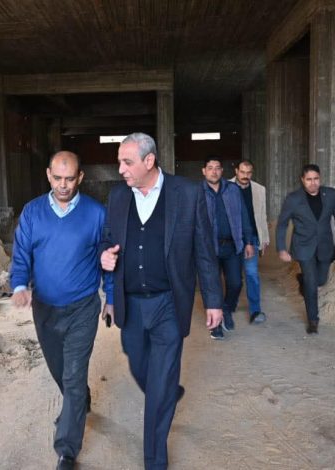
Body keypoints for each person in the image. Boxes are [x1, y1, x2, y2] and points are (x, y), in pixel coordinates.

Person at [99, 132, 223, 470]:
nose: (120, 169)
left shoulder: (187, 193)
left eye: (127, 162)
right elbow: (107, 239)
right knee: (139, 365)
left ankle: (155, 460)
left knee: (158, 385)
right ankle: (167, 390)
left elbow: (204, 251)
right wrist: (105, 255)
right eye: (120, 162)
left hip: (169, 302)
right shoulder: (118, 197)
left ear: (149, 161)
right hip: (131, 304)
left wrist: (213, 300)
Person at [10, 151, 111, 470]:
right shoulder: (32, 212)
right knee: (59, 370)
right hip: (45, 308)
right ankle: (78, 401)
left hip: (82, 307)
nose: (63, 185)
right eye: (57, 178)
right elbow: (21, 253)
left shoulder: (96, 213)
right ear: (48, 175)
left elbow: (109, 257)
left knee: (73, 374)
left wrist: (110, 296)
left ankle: (67, 448)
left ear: (80, 177)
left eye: (70, 179)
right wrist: (19, 284)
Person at [275, 163, 335, 334]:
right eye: (309, 179)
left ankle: (303, 281)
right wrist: (281, 248)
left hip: (325, 245)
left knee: (321, 280)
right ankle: (313, 320)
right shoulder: (293, 199)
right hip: (303, 246)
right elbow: (282, 224)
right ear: (302, 180)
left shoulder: (330, 194)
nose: (313, 183)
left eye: (316, 179)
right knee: (311, 282)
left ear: (320, 178)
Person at [202, 156, 255, 340]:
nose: (214, 171)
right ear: (204, 171)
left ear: (222, 171)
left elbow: (244, 216)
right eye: (210, 168)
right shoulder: (197, 192)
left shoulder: (233, 190)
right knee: (212, 286)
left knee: (235, 283)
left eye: (217, 168)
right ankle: (215, 326)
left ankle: (226, 309)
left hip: (232, 246)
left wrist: (249, 241)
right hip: (208, 248)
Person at [229, 159, 270, 325]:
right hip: (230, 239)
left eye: (249, 173)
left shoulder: (260, 190)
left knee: (252, 273)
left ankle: (255, 310)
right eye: (242, 172)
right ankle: (230, 304)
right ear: (236, 171)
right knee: (233, 276)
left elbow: (262, 215)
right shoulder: (226, 187)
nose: (245, 176)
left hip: (251, 238)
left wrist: (264, 238)